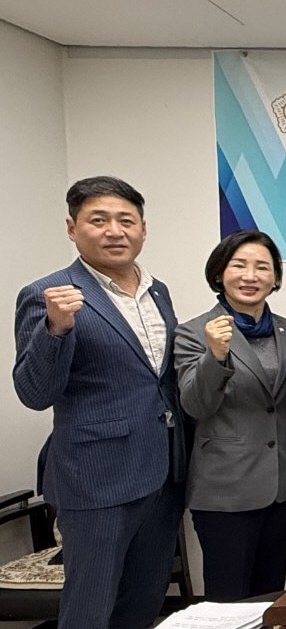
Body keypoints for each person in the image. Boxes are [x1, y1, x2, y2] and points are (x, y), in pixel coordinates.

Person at [12, 176, 187, 629]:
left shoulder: (158, 291)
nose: (114, 231)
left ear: (143, 229)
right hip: (96, 480)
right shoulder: (49, 294)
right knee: (90, 606)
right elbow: (34, 393)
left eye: (126, 220)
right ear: (72, 228)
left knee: (144, 598)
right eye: (99, 220)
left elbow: (157, 382)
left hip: (162, 471)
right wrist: (56, 329)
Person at [173, 230, 286, 600]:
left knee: (269, 594)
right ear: (219, 273)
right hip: (225, 488)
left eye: (262, 267)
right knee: (227, 599)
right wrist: (215, 355)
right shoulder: (194, 332)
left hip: (282, 483)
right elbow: (196, 405)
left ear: (275, 278)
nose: (250, 276)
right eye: (239, 265)